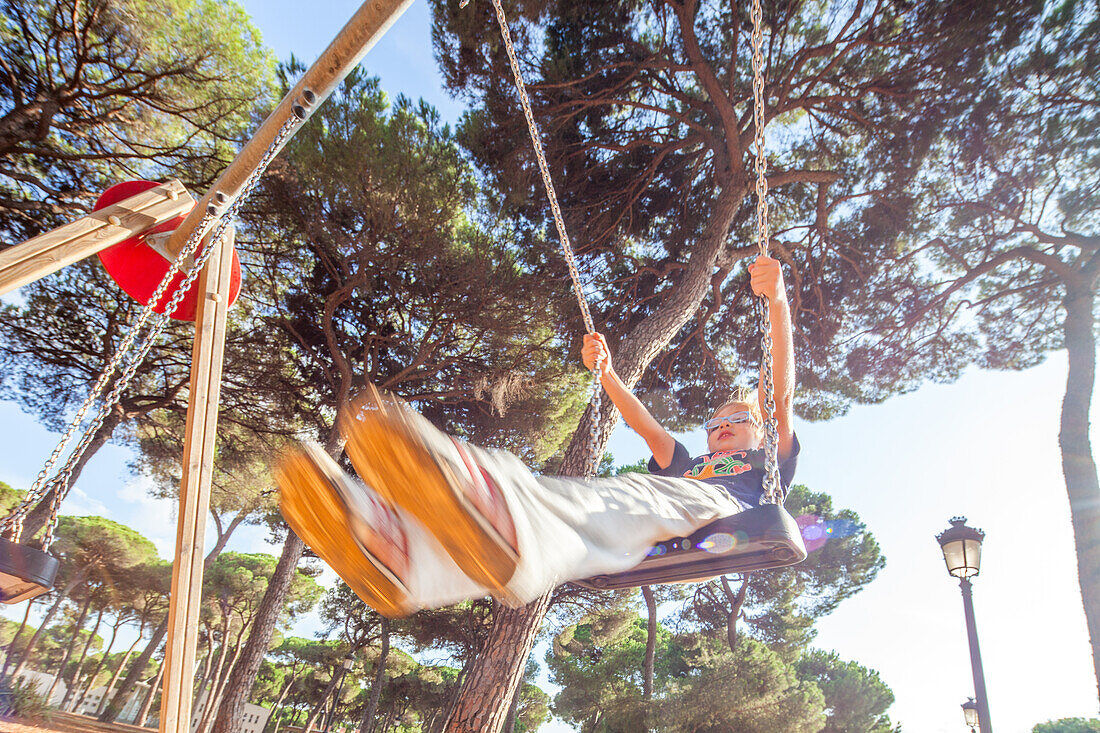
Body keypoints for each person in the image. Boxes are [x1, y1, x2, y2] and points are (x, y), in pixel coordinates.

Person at [278, 254, 798, 618]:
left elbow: (779, 394)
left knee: (622, 495)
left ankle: (493, 506)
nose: (723, 426)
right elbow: (645, 425)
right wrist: (608, 374)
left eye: (737, 420)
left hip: (719, 515)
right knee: (570, 518)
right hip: (651, 527)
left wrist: (777, 304)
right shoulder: (687, 461)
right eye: (716, 422)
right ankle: (402, 558)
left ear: (759, 431)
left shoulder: (764, 463)